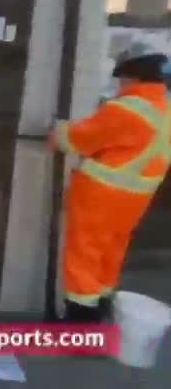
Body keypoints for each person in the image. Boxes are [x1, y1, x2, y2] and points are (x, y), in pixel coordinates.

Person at [48, 43, 171, 323]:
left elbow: (80, 139)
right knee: (110, 252)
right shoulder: (166, 109)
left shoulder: (127, 109)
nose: (119, 83)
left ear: (132, 75)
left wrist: (58, 130)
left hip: (101, 196)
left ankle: (81, 323)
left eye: (122, 77)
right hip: (135, 199)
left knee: (84, 254)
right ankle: (102, 306)